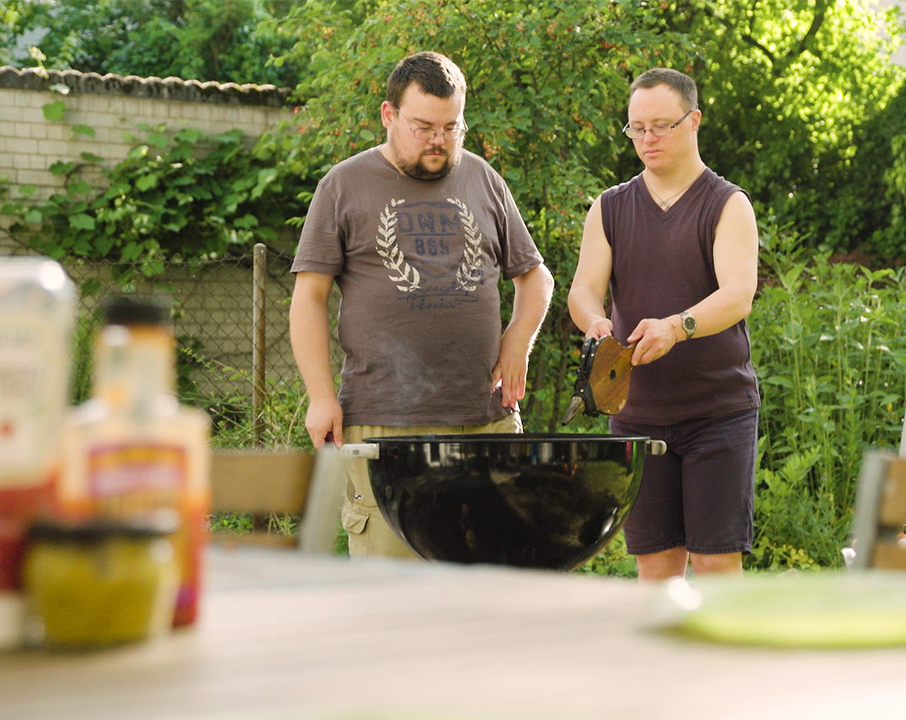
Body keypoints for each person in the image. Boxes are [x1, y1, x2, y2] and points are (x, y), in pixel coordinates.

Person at [290, 51, 554, 558]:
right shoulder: (343, 185)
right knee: (390, 600)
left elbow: (535, 276)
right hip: (384, 425)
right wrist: (321, 397)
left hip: (486, 421)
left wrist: (518, 339)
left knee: (489, 585)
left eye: (451, 127)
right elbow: (309, 297)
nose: (438, 139)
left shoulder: (484, 180)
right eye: (423, 126)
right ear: (389, 115)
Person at [567, 68, 760, 581]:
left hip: (717, 414)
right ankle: (662, 665)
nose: (646, 139)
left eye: (660, 126)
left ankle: (725, 662)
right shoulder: (609, 207)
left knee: (716, 562)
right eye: (636, 128)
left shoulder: (728, 204)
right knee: (655, 566)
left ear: (693, 121)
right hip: (635, 415)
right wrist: (595, 322)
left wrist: (676, 327)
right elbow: (584, 288)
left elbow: (738, 295)